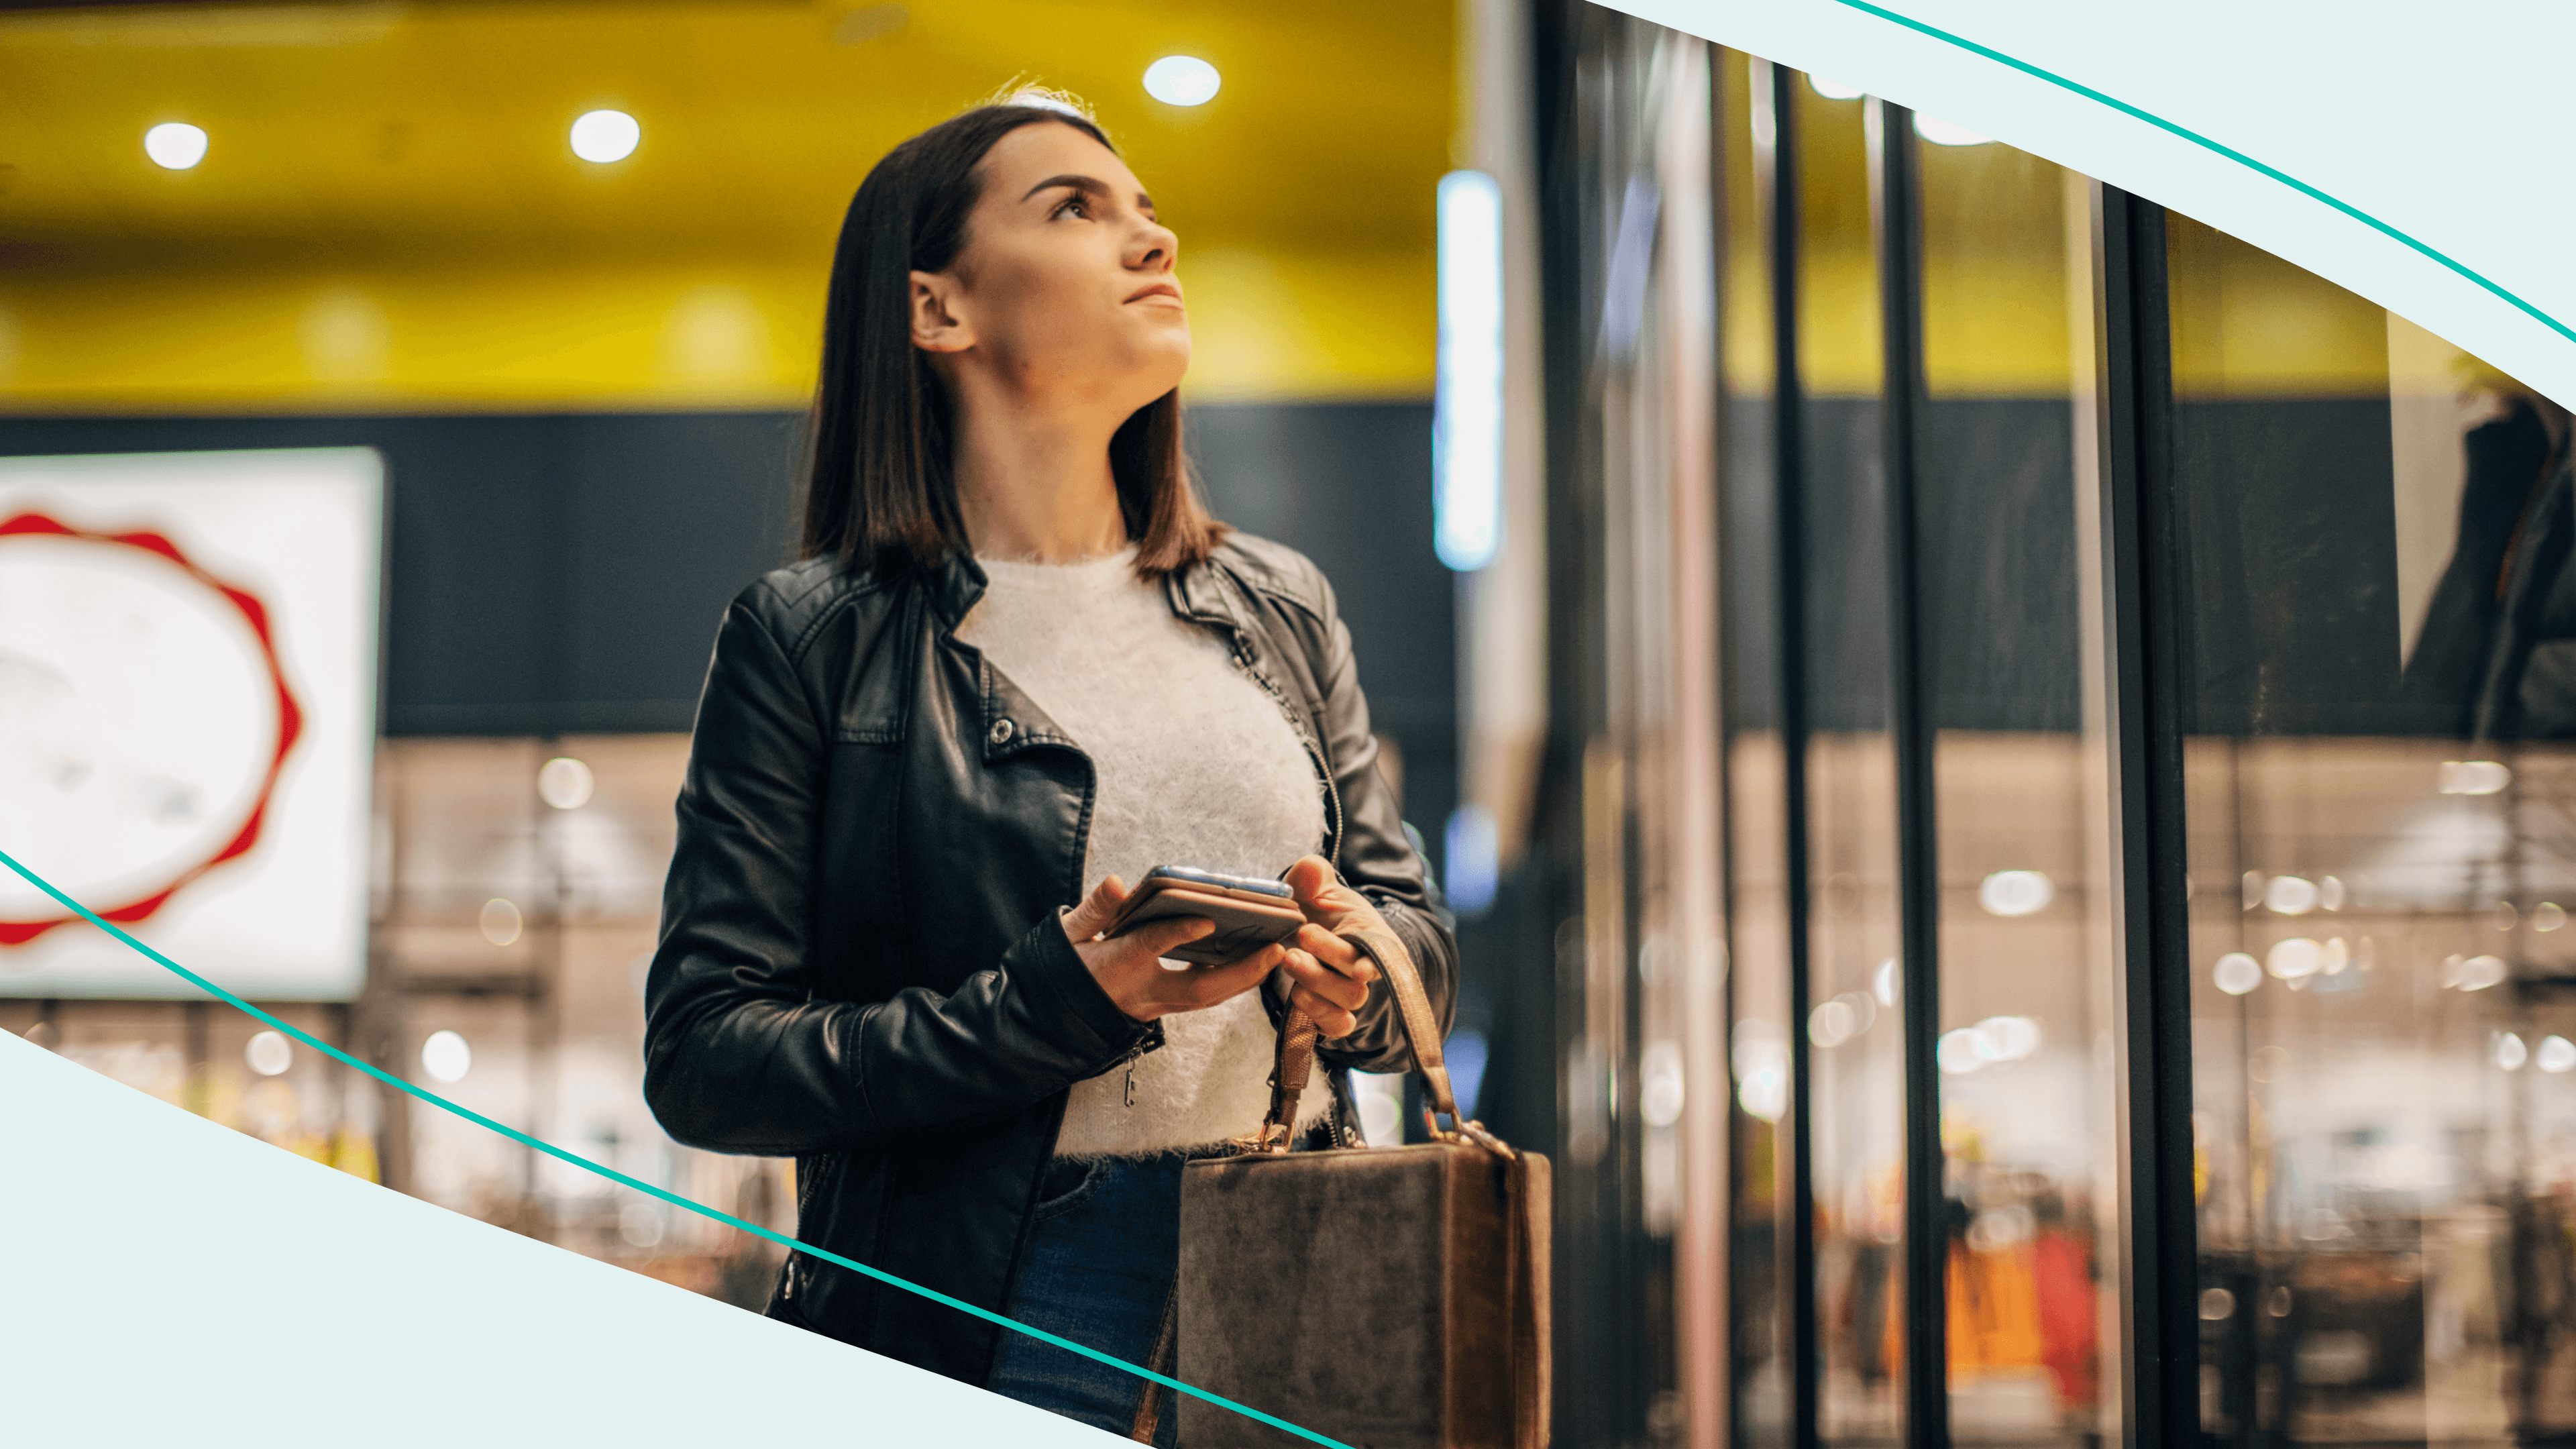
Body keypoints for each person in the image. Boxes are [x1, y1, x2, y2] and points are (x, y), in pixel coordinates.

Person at [639, 90, 1456, 1444]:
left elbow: (1409, 918)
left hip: (1297, 1253)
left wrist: (1365, 976)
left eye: (1146, 211)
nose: (1153, 238)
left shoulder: (1282, 605)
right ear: (937, 309)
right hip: (987, 1299)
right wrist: (1050, 1005)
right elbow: (707, 1055)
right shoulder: (811, 640)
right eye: (1076, 208)